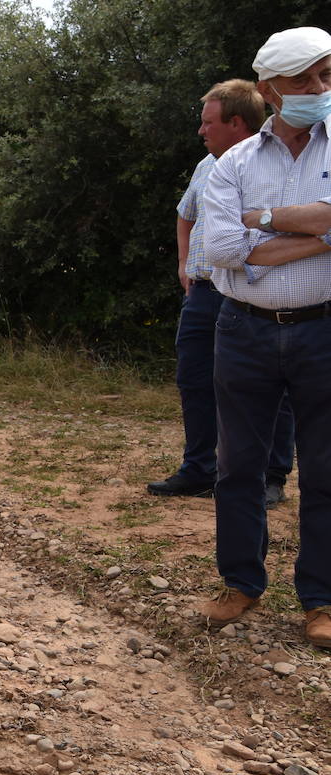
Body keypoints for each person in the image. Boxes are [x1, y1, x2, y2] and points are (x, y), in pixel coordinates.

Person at [200, 26, 331, 647]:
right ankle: (241, 583)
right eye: (304, 79)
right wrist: (323, 232)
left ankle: (321, 599)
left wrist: (266, 222)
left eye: (326, 76)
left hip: (324, 328)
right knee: (239, 465)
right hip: (244, 330)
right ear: (269, 90)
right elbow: (221, 248)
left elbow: (243, 243)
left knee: (326, 470)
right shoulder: (233, 162)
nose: (318, 89)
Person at [148, 81, 296, 507]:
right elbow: (185, 215)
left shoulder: (275, 167)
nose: (201, 131)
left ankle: (271, 476)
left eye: (208, 122)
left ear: (236, 123)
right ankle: (199, 469)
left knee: (270, 389)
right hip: (203, 296)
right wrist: (183, 264)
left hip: (257, 296)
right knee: (195, 382)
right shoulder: (205, 167)